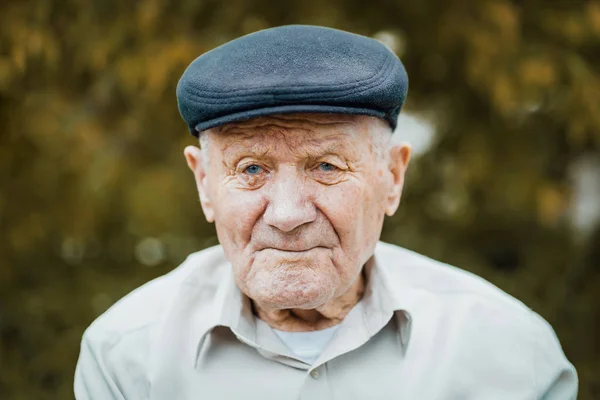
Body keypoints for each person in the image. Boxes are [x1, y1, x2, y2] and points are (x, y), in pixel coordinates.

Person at [74, 25, 578, 399]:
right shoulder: (126, 356)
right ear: (204, 184)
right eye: (250, 169)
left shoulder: (510, 350)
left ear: (392, 179)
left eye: (326, 167)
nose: (288, 214)